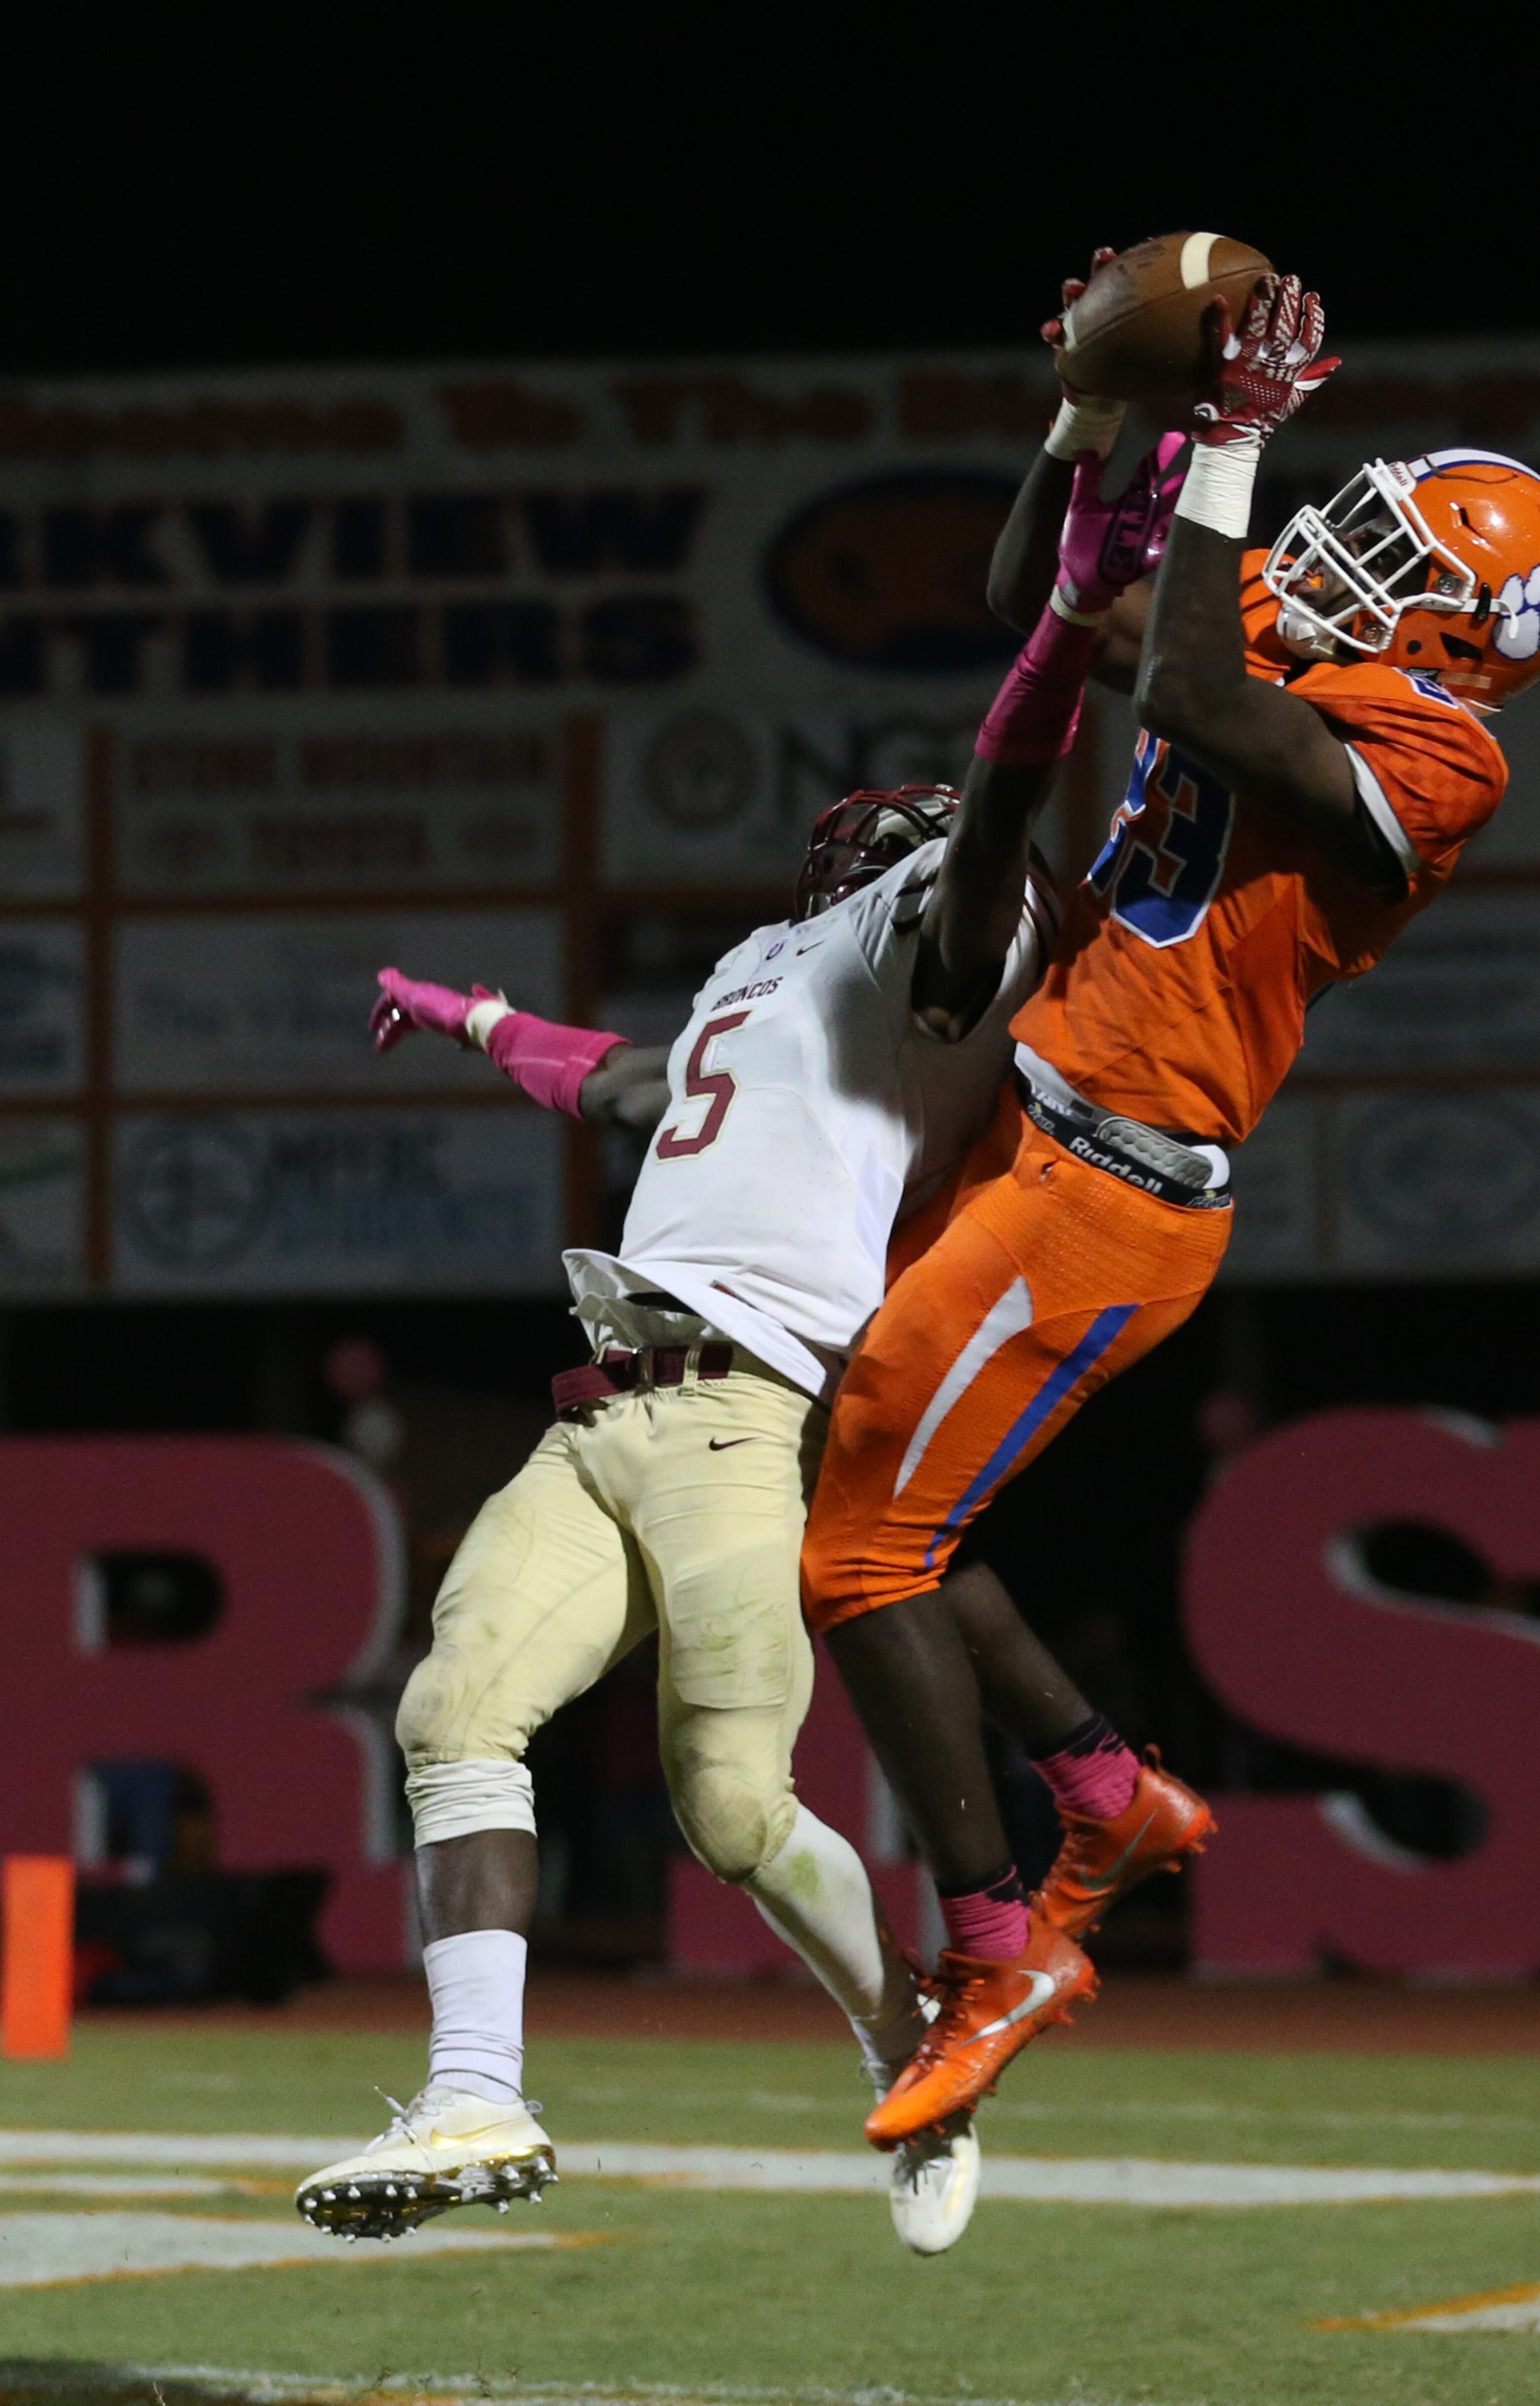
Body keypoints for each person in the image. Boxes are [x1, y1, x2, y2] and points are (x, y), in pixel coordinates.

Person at [292, 437, 1185, 2256]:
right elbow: (621, 1080)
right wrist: (468, 1013)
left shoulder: (941, 940)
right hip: (604, 1405)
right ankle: (478, 2093)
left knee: (726, 1806)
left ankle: (913, 2034)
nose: (853, 846)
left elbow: (1008, 797)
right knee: (454, 1715)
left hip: (749, 1411)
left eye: (891, 840)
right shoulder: (762, 975)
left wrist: (1071, 631)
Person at [801, 271, 1540, 2147]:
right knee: (863, 1517)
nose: (1341, 548)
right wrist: (1084, 424)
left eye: (1391, 546)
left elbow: (1180, 687)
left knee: (855, 1558)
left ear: (1468, 635)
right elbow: (1050, 609)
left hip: (1109, 1192)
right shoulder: (1305, 655)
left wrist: (1230, 436)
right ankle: (1105, 1796)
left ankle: (1003, 1950)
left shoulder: (1440, 754)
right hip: (1029, 1127)